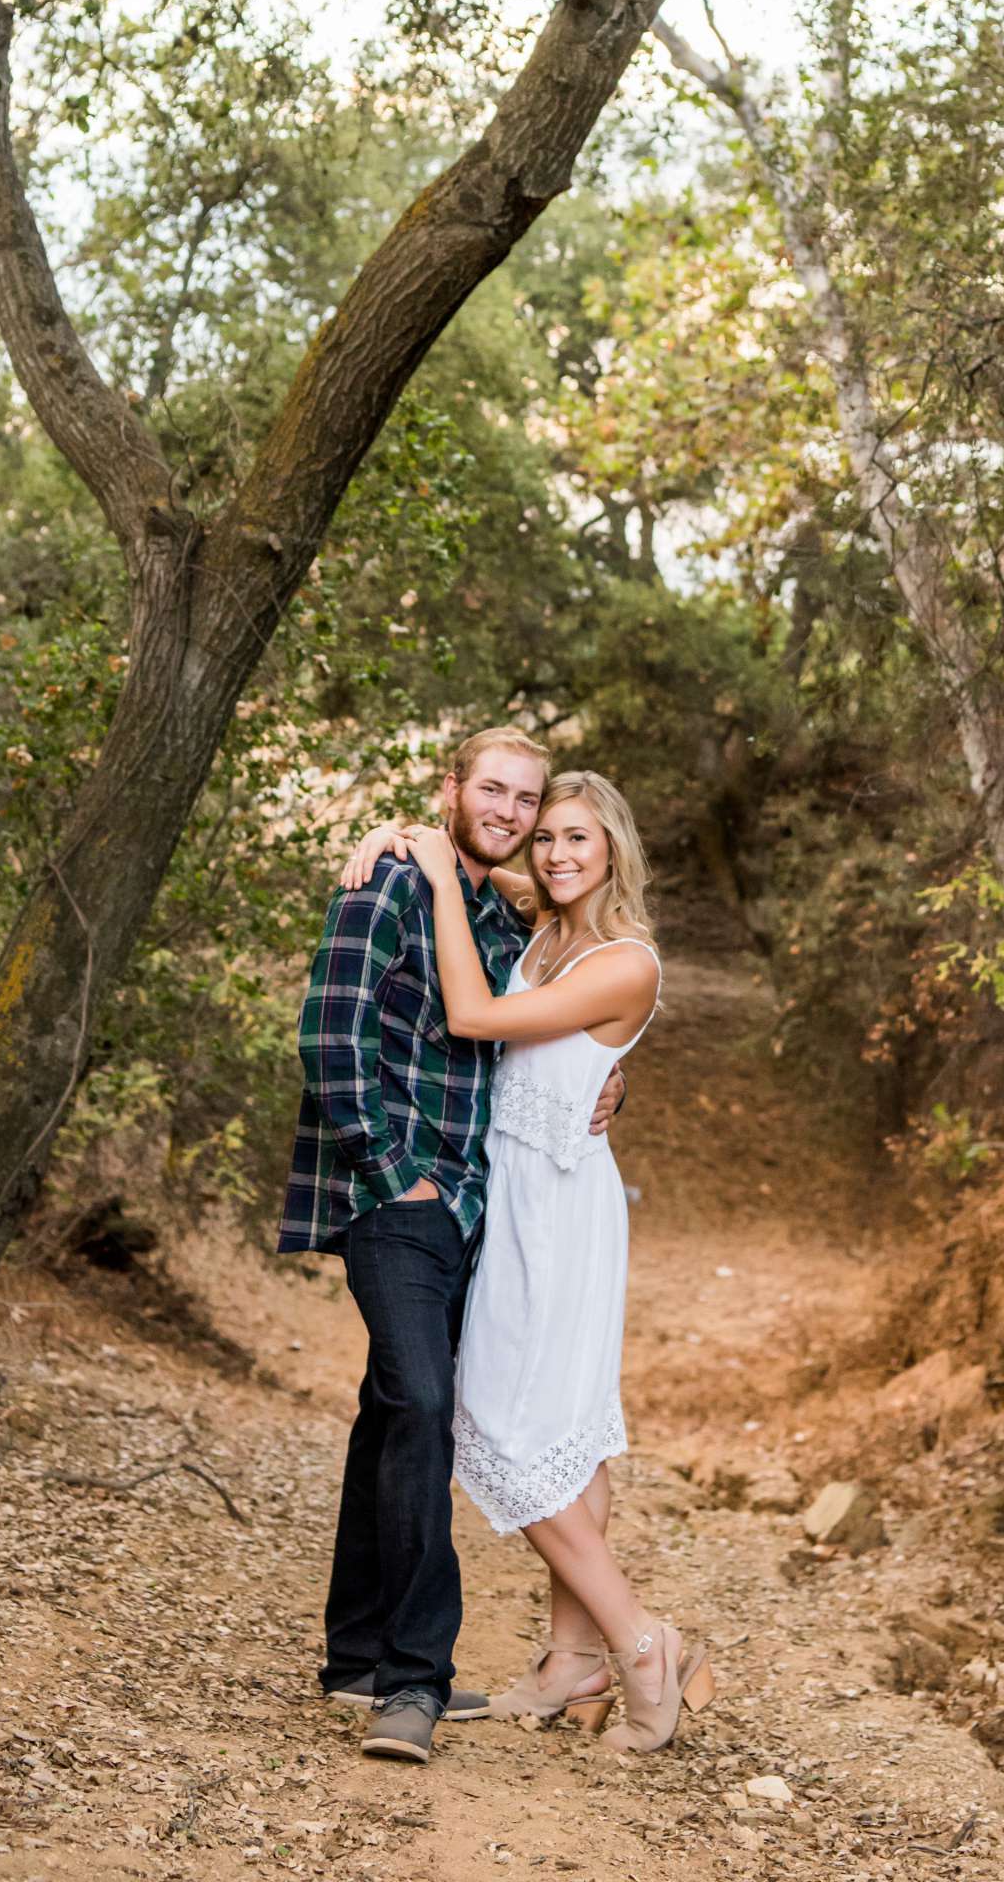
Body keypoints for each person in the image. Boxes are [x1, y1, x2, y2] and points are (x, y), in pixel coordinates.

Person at [277, 728, 625, 1767]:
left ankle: (354, 1655)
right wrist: (394, 1173)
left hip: (480, 1204)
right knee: (428, 1406)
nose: (512, 812)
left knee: (393, 1406)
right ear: (452, 792)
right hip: (399, 1197)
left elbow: (561, 1018)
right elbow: (326, 1034)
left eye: (527, 800)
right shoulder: (388, 883)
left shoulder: (498, 910)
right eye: (495, 792)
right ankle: (414, 1683)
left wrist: (614, 1076)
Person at [348, 772, 714, 1756]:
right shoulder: (535, 922)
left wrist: (428, 874)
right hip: (505, 1190)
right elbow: (475, 865)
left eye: (577, 841)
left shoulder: (625, 961)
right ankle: (569, 1660)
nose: (553, 854)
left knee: (513, 1433)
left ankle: (641, 1643)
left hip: (556, 1209)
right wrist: (401, 837)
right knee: (557, 1435)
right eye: (544, 837)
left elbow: (473, 1017)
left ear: (614, 851)